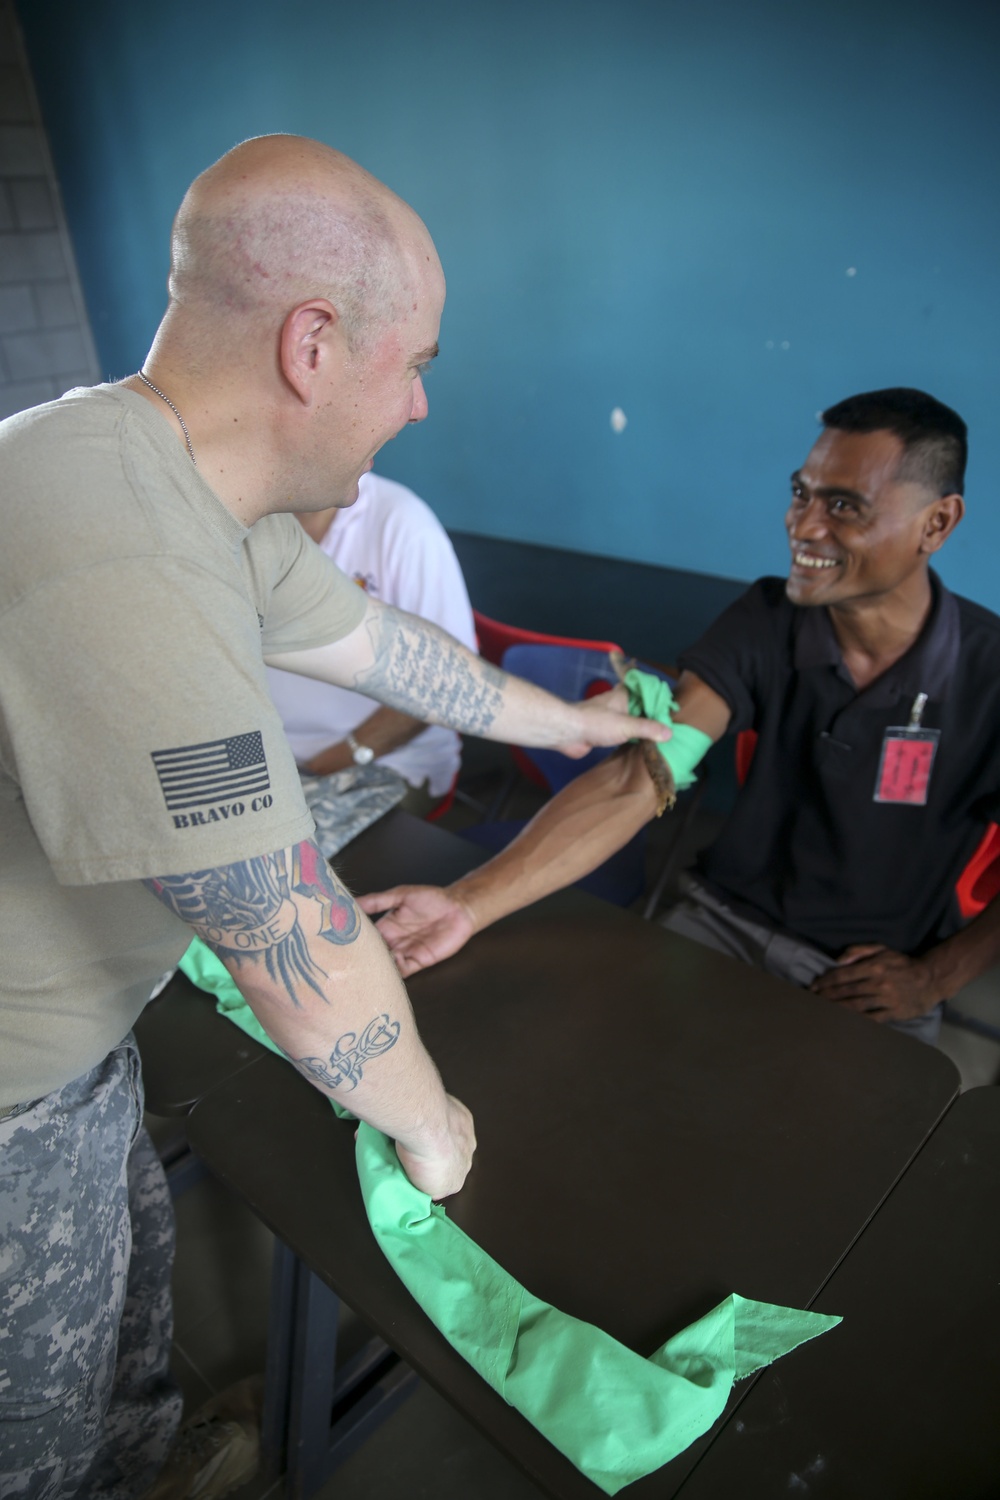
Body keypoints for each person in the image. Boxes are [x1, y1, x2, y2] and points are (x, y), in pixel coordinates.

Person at [0, 135, 668, 1500]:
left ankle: (151, 1456)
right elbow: (290, 940)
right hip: (10, 1100)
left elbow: (386, 649)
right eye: (417, 358)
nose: (421, 403)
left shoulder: (173, 477)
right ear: (314, 344)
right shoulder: (122, 557)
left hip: (77, 1035)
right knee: (31, 1438)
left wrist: (575, 724)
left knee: (129, 1316)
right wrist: (434, 1126)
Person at [361, 389, 1000, 1048]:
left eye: (844, 506)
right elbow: (645, 776)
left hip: (870, 978)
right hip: (718, 924)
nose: (803, 527)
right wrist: (467, 904)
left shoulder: (989, 674)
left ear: (938, 523)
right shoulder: (768, 618)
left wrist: (935, 978)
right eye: (801, 494)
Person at [266, 469, 477, 816]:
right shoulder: (246, 511)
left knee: (295, 860)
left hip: (385, 761)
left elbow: (446, 678)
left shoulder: (404, 524)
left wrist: (341, 757)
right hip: (270, 757)